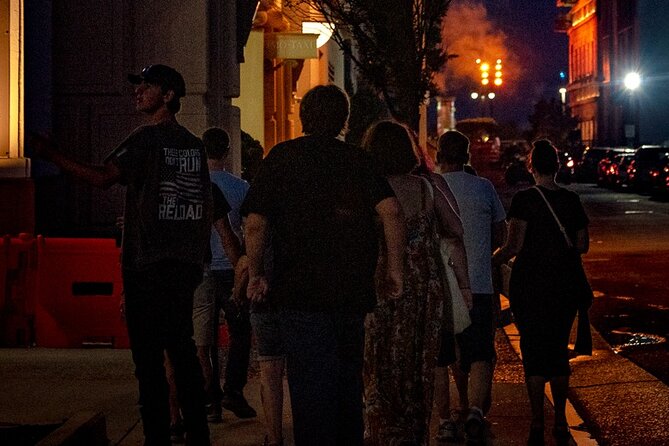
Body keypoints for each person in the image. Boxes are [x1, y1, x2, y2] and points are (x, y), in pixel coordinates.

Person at [35, 64, 212, 445]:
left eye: (147, 86)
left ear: (169, 96)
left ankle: (157, 438)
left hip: (148, 266)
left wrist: (49, 154)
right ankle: (199, 436)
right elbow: (203, 206)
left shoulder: (145, 140)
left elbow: (101, 177)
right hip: (182, 266)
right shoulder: (194, 147)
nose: (138, 92)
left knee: (148, 363)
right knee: (181, 352)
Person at [241, 84, 405, 446]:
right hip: (351, 291)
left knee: (310, 385)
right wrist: (395, 270)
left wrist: (256, 274)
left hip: (299, 293)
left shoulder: (282, 158)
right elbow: (391, 212)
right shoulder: (359, 160)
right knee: (348, 382)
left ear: (303, 117)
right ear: (344, 120)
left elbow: (255, 222)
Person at [362, 121, 467, 446]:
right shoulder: (424, 188)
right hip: (423, 289)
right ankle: (414, 433)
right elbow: (456, 228)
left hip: (381, 286)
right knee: (418, 364)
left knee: (379, 362)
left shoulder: (368, 189)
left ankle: (381, 430)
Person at [492, 140, 591, 446]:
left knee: (534, 354)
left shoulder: (524, 200)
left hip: (530, 285)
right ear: (557, 166)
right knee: (558, 352)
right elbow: (582, 244)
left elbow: (515, 245)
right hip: (564, 286)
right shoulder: (572, 201)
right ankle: (561, 420)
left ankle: (537, 421)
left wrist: (493, 259)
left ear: (532, 167)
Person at [435, 130, 507, 444]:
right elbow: (501, 236)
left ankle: (446, 419)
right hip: (478, 283)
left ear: (439, 155)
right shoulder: (484, 188)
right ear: (467, 157)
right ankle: (476, 410)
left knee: (442, 355)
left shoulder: (431, 186)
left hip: (441, 283)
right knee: (480, 352)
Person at [192, 127, 256, 422]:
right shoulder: (240, 187)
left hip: (202, 270)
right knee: (240, 332)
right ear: (227, 151)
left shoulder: (194, 184)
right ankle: (233, 389)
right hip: (232, 268)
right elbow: (250, 228)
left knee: (203, 339)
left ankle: (210, 396)